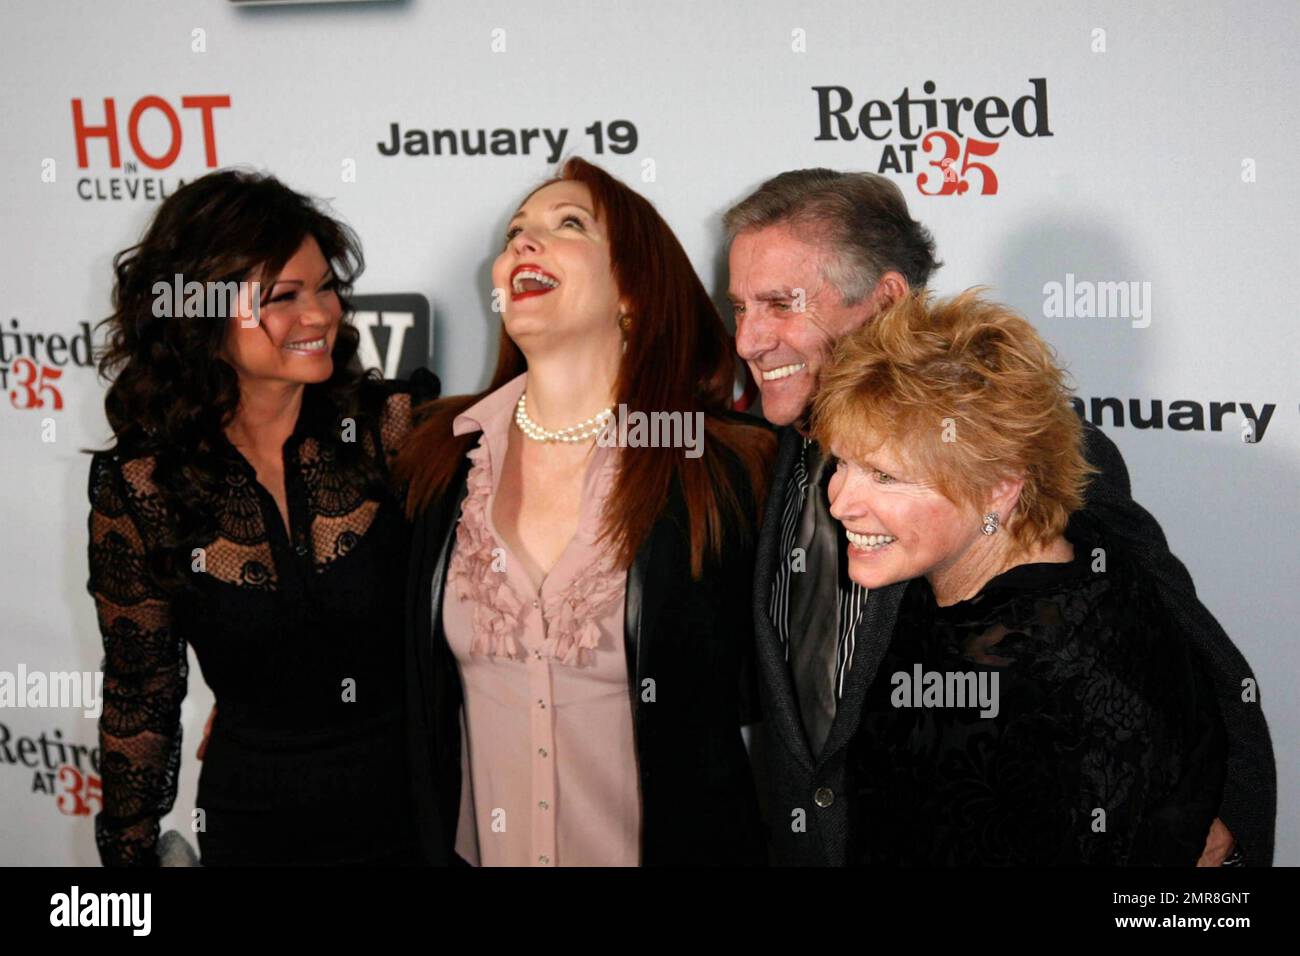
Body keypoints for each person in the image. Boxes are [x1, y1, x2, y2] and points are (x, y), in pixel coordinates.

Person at [724, 168, 1275, 866]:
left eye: (778, 303)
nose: (747, 340)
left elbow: (1186, 652)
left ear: (887, 298)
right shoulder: (770, 458)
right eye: (740, 306)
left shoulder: (1011, 444)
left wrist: (1214, 833)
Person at [395, 157, 775, 866]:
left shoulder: (722, 468)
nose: (521, 247)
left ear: (633, 289)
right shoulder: (440, 459)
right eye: (514, 234)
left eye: (567, 225)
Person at [87, 169, 437, 866]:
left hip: (420, 809)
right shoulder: (140, 484)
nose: (321, 314)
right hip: (255, 823)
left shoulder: (391, 429)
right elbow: (143, 688)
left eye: (326, 287)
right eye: (283, 297)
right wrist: (128, 860)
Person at [811, 288, 1226, 864]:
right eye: (842, 464)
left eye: (884, 476)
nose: (840, 504)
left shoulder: (1071, 677)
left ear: (1000, 488)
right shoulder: (940, 590)